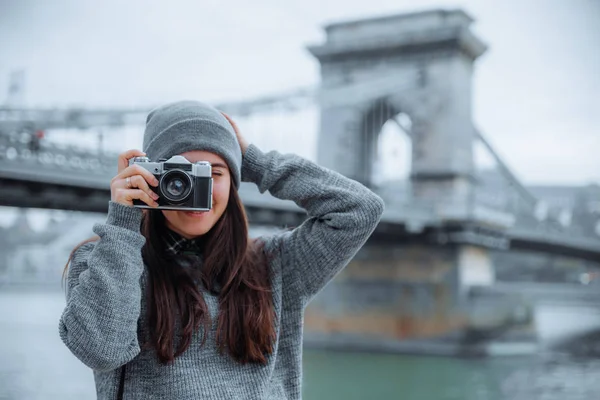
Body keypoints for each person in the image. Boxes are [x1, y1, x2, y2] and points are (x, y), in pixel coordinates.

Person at [59, 100, 384, 399]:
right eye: (179, 174)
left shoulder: (278, 265)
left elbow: (360, 209)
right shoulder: (105, 261)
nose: (195, 188)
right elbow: (101, 351)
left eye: (213, 173)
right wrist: (123, 222)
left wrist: (254, 161)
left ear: (235, 179)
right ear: (151, 178)